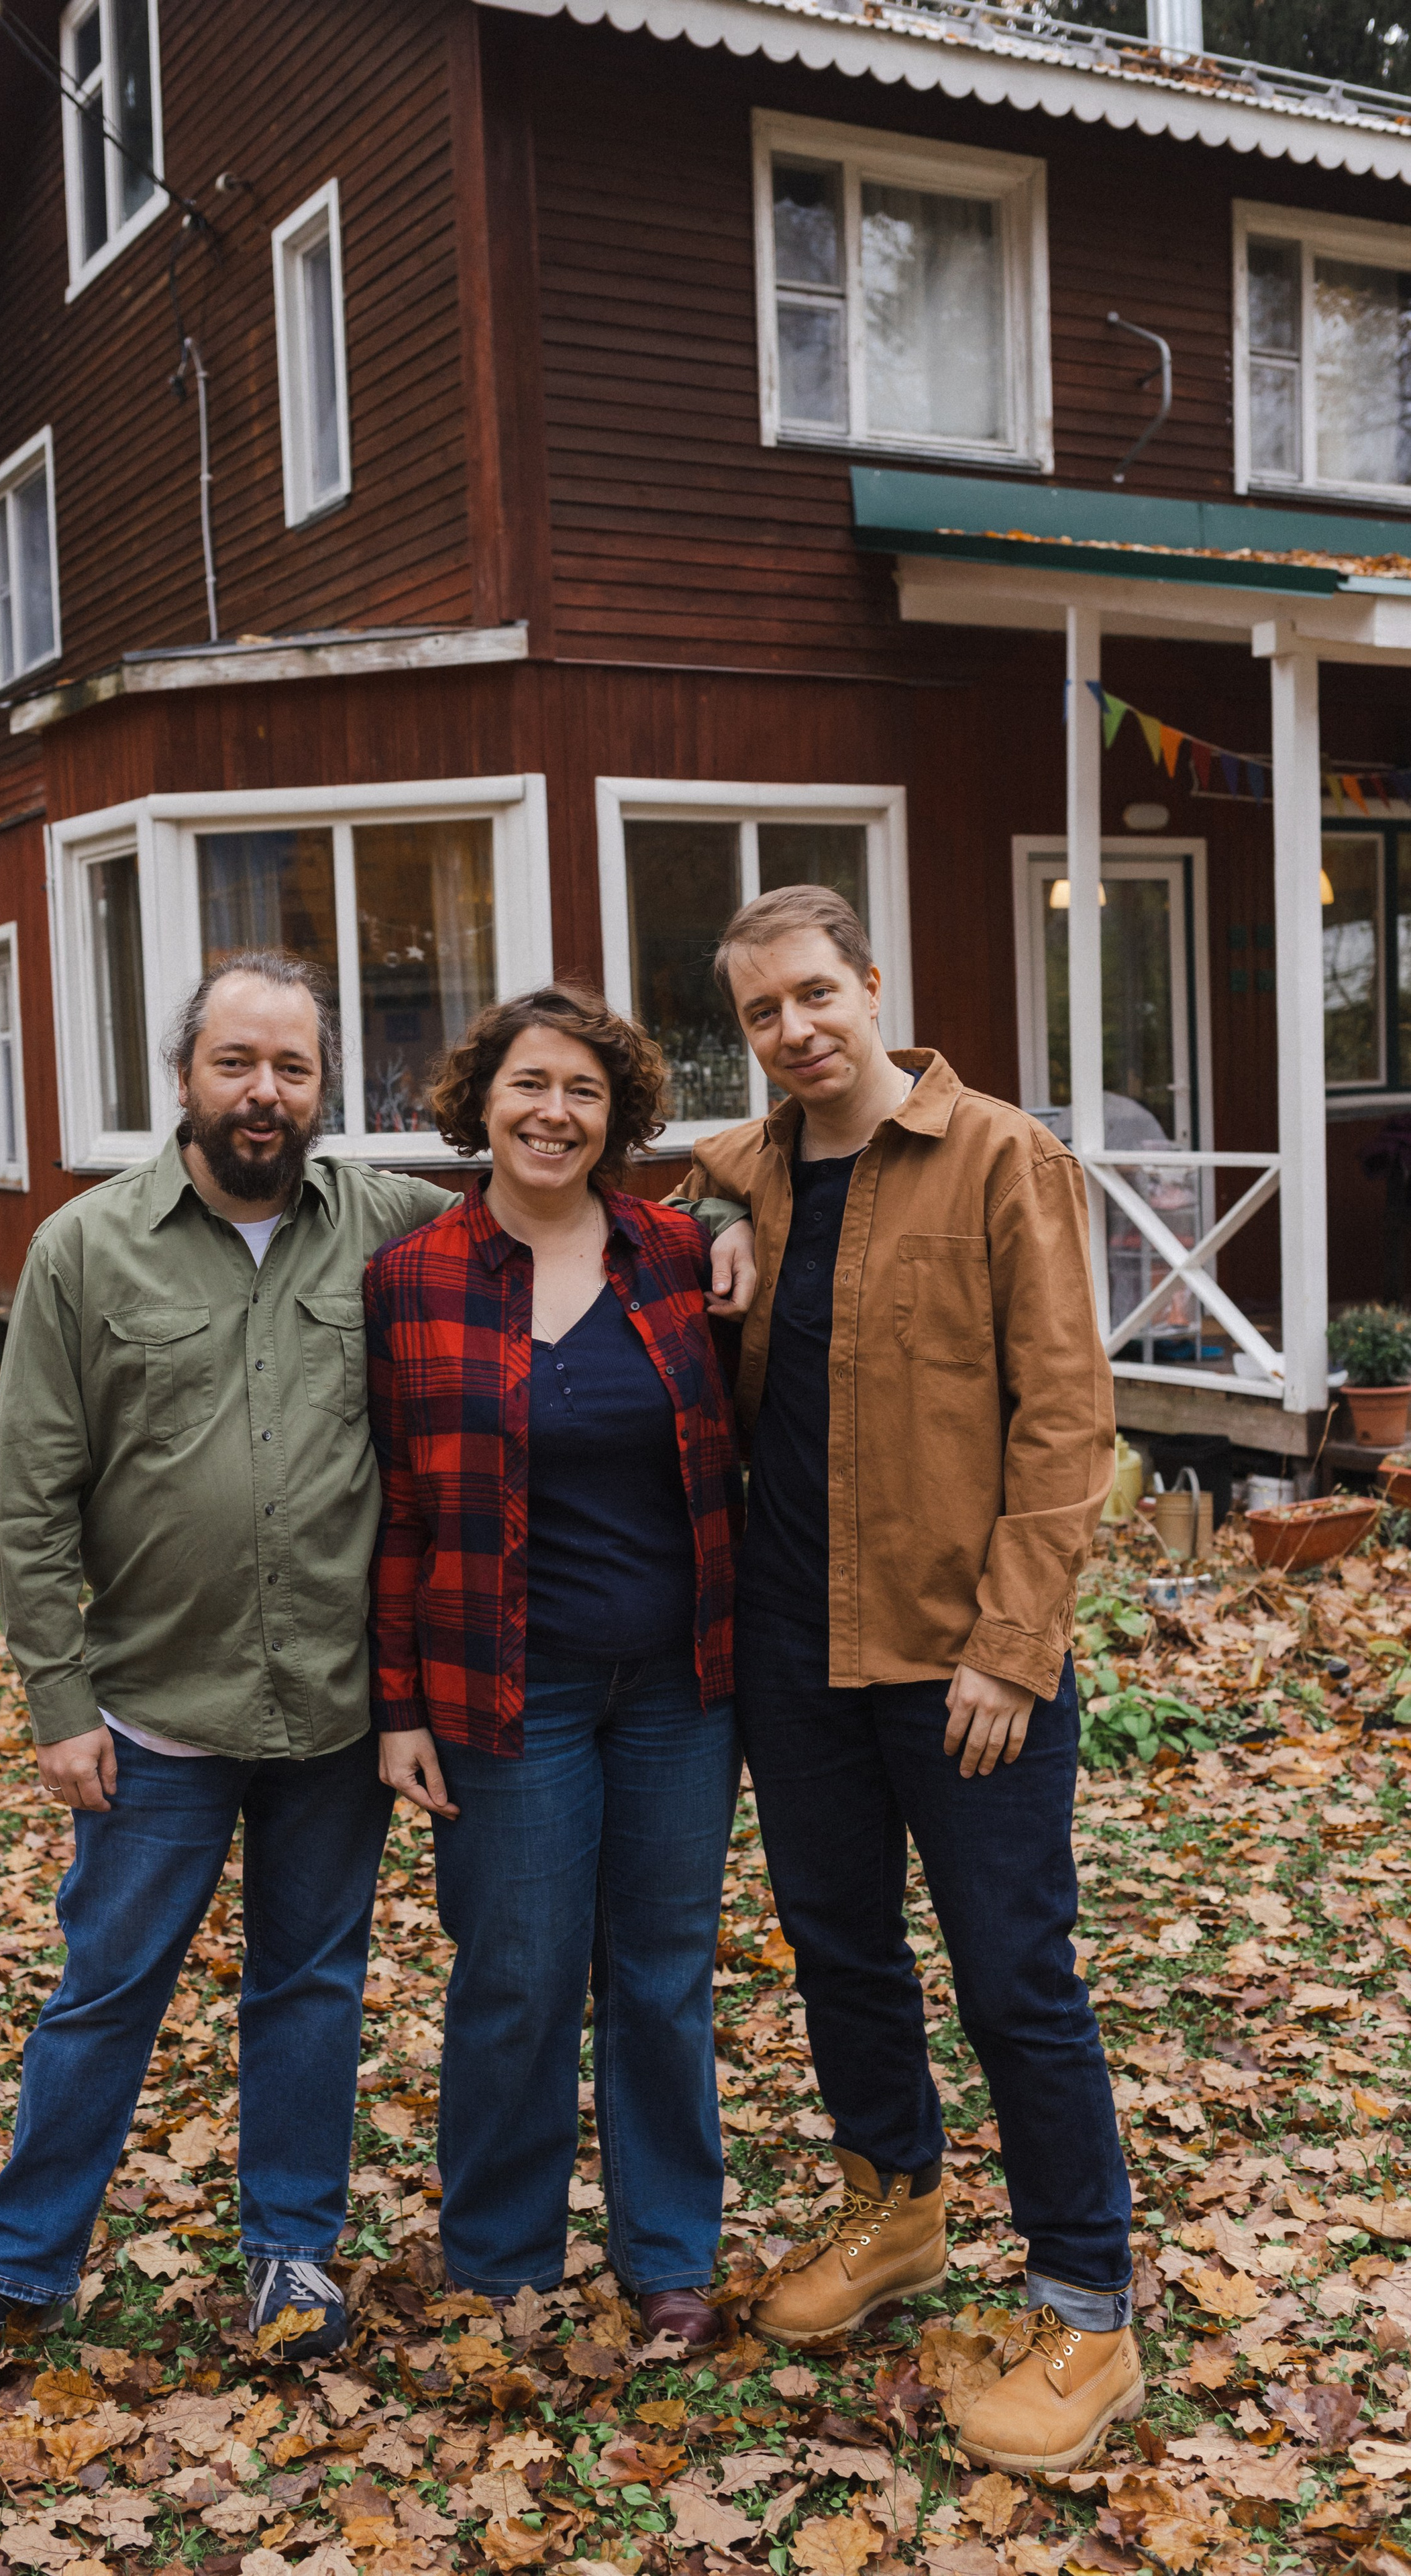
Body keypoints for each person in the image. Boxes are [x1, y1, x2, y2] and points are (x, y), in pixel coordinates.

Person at [0, 952, 466, 2380]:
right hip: (153, 1711)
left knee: (310, 1984)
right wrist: (55, 1701)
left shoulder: (396, 1226)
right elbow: (28, 1492)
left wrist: (728, 1215)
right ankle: (15, 2269)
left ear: (322, 1083)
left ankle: (289, 2251)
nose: (263, 1092)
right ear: (184, 1079)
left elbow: (567, 1197)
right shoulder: (84, 1251)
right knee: (105, 1990)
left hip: (338, 1715)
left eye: (289, 1066)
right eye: (236, 1063)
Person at [675, 885, 1137, 2475]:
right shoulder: (739, 1172)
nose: (794, 1031)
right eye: (759, 1015)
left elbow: (1066, 1425)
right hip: (791, 1660)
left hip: (960, 1663)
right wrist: (716, 1218)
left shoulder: (1003, 1160)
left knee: (1014, 1975)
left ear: (872, 984)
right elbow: (666, 1197)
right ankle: (897, 2208)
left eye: (814, 996)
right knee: (838, 1949)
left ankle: (1088, 2308)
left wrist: (1012, 1649)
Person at [364, 986, 746, 2347]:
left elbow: (776, 1163)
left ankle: (667, 2264)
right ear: (482, 1103)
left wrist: (737, 1216)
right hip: (498, 1684)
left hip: (678, 1687)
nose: (553, 1112)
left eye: (584, 1091)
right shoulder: (411, 1278)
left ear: (618, 1115)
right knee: (515, 1971)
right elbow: (398, 1508)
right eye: (529, 1084)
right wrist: (395, 1703)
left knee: (659, 1973)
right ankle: (501, 2262)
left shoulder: (677, 1254)